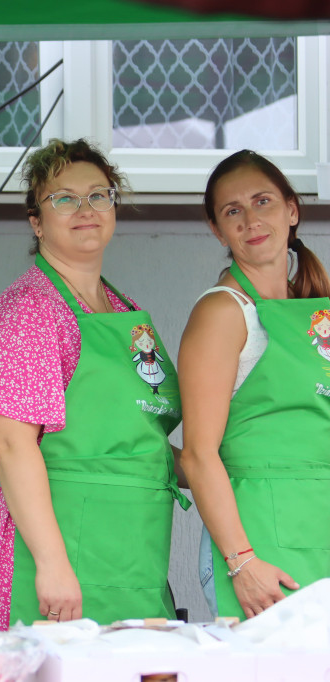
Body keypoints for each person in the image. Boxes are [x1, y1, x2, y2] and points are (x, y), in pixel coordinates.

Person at [0, 139, 187, 629]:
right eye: (63, 198)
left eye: (98, 195)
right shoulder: (32, 310)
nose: (85, 209)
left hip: (129, 547)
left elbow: (131, 438)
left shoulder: (124, 311)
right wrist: (52, 564)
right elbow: (10, 444)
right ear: (36, 222)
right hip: (59, 551)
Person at [179, 150, 330, 620]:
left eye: (262, 201)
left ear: (291, 209)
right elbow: (198, 454)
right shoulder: (223, 312)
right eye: (232, 211)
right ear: (217, 229)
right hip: (261, 546)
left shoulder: (317, 314)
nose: (250, 220)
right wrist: (242, 563)